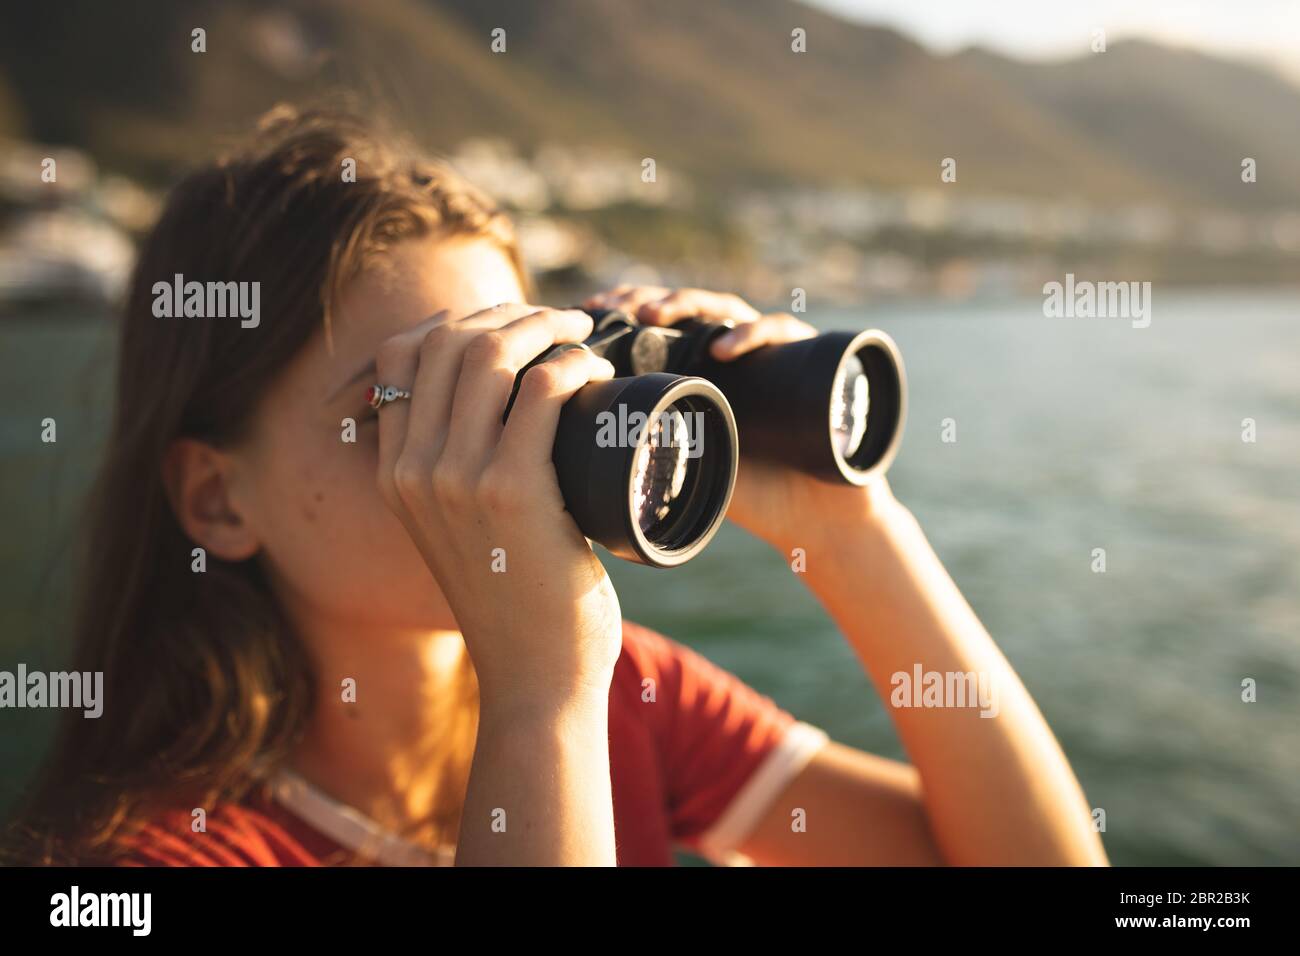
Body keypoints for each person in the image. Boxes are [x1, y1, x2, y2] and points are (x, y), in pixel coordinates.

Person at [4, 105, 1107, 866]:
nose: (487, 445)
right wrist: (537, 703)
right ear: (216, 501)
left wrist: (850, 526)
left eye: (512, 373)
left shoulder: (625, 695)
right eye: (401, 404)